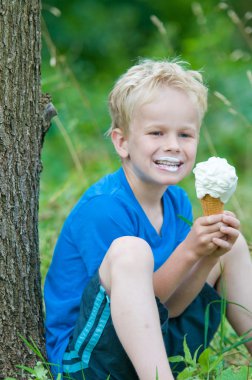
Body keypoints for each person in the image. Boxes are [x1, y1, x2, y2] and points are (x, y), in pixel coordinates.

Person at [44, 58, 252, 380]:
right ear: (122, 142)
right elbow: (131, 305)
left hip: (150, 348)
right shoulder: (104, 209)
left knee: (232, 245)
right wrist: (191, 252)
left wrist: (207, 255)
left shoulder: (176, 200)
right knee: (131, 251)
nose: (172, 146)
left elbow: (169, 306)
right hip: (90, 361)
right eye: (156, 133)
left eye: (185, 134)